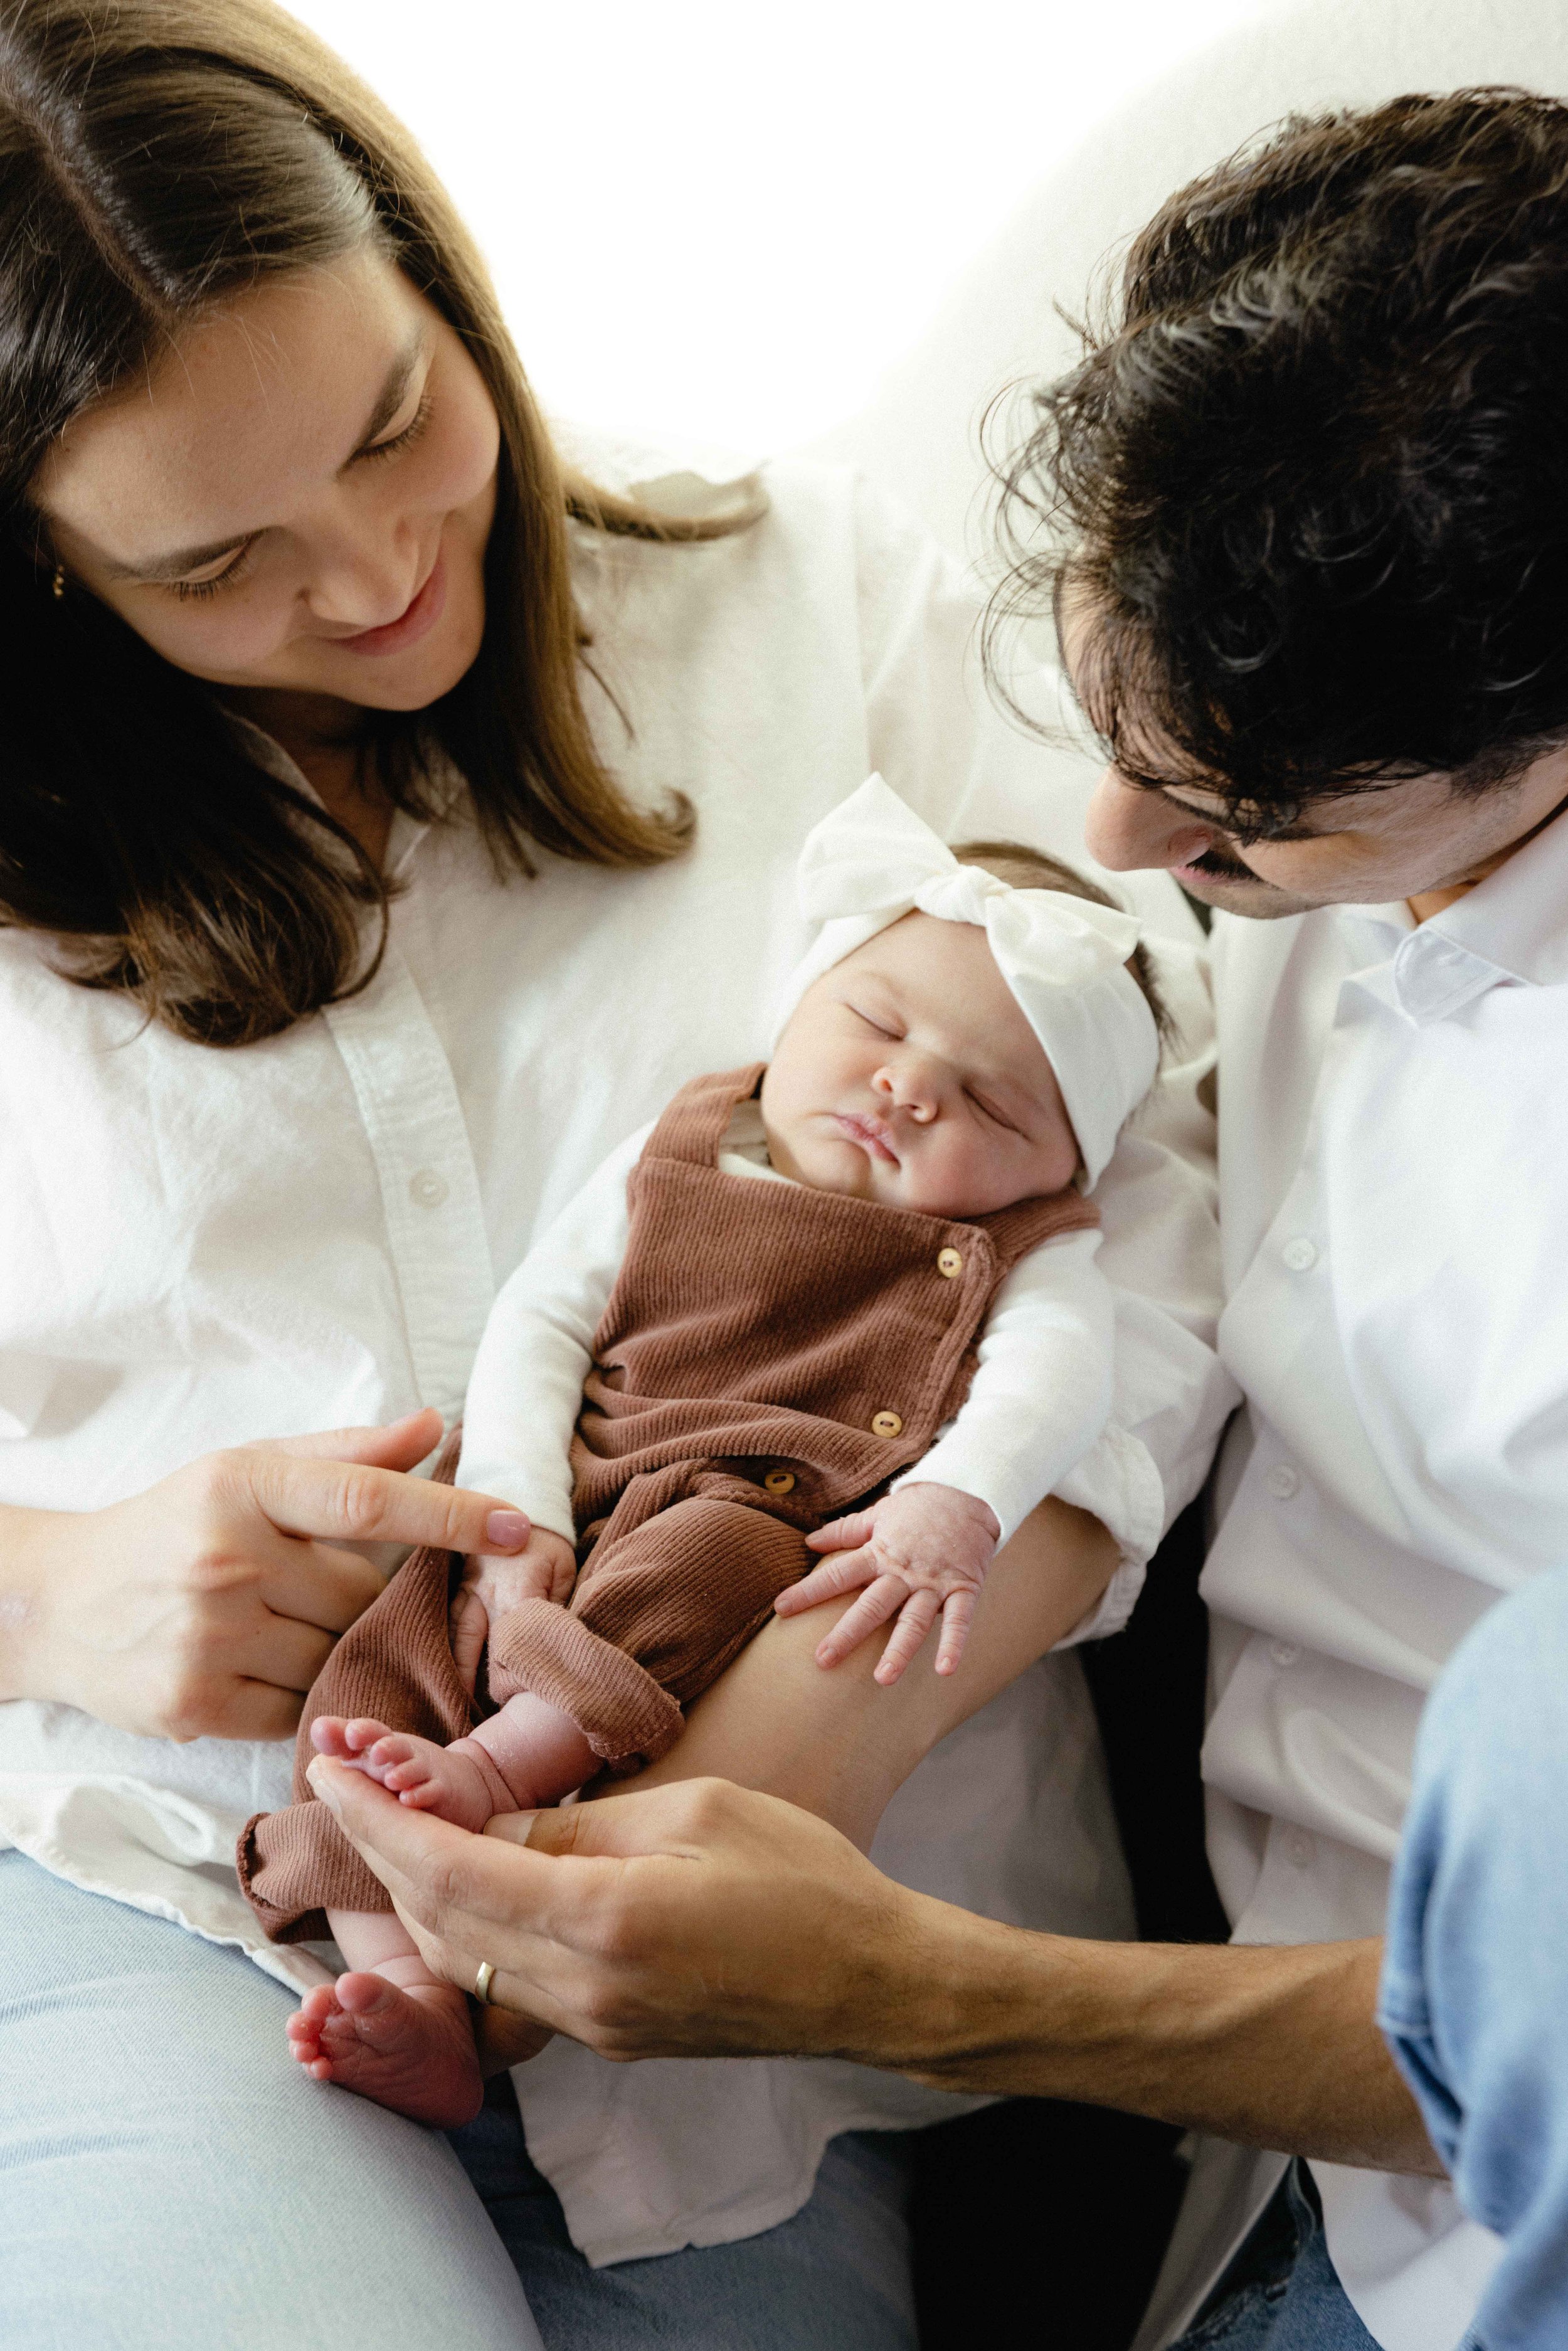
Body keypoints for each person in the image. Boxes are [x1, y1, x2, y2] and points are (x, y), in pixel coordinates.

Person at [0, 5, 1231, 2346]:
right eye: (220, 557)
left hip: (760, 2001)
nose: (377, 569)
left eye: (397, 421)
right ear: (42, 568)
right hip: (160, 1889)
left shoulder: (812, 605)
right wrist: (42, 1588)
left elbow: (1170, 1195)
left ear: (437, 277)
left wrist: (822, 1723)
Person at [312, 85, 1568, 2351]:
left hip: (1466, 2195)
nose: (1115, 831)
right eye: (1097, 697)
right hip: (1246, 2153)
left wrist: (910, 1981)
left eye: (1239, 806)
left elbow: (1523, 2045)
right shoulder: (1303, 790)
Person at [237, 775, 1167, 2126]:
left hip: (756, 1497)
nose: (908, 1087)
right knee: (384, 1670)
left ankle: (500, 1776)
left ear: (1057, 1168)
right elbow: (542, 1318)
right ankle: (413, 1989)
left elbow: (1058, 1375)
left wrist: (962, 1498)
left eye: (990, 1101)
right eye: (877, 1023)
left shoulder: (1026, 1248)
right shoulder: (685, 1145)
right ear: (798, 1003)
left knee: (705, 1557)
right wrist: (512, 1504)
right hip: (567, 1486)